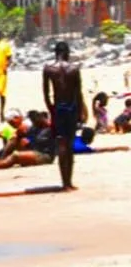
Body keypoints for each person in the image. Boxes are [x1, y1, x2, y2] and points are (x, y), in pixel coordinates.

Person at [43, 40, 84, 191]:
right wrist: (80, 113)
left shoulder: (48, 69)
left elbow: (46, 94)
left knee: (61, 143)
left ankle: (64, 183)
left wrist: (51, 110)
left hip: (58, 108)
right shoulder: (74, 69)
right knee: (70, 144)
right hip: (71, 107)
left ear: (55, 53)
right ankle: (69, 181)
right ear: (67, 53)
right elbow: (78, 93)